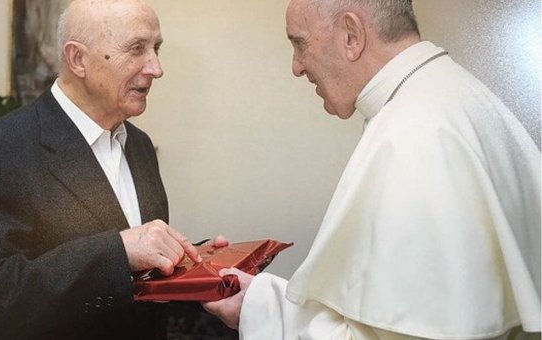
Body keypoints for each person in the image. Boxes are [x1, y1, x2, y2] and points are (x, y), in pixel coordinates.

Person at [203, 0, 541, 339]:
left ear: (351, 35)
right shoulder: (456, 94)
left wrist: (260, 307)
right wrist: (258, 300)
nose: (297, 67)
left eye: (300, 43)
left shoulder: (414, 133)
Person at [0, 0, 226, 338]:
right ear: (78, 59)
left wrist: (197, 268)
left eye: (156, 48)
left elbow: (139, 283)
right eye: (137, 48)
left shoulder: (140, 146)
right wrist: (117, 253)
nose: (156, 68)